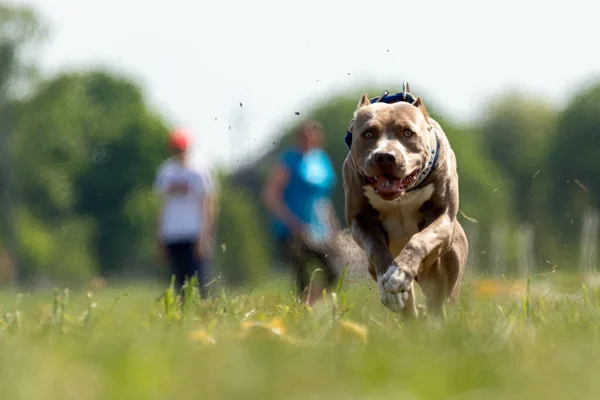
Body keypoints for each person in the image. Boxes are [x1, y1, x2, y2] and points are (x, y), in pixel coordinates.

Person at [262, 120, 341, 304]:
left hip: (320, 227)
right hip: (292, 229)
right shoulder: (289, 160)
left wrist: (333, 226)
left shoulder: (321, 160)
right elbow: (270, 196)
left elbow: (324, 198)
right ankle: (302, 308)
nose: (309, 139)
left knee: (333, 271)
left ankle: (309, 303)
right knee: (301, 274)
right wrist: (292, 223)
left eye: (313, 134)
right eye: (305, 135)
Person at [153, 128, 217, 298]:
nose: (179, 152)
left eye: (181, 148)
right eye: (176, 148)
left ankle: (203, 318)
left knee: (198, 282)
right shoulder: (165, 171)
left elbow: (208, 205)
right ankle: (184, 318)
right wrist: (159, 237)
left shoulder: (200, 171)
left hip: (194, 233)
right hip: (172, 233)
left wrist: (205, 237)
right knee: (178, 283)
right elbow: (162, 206)